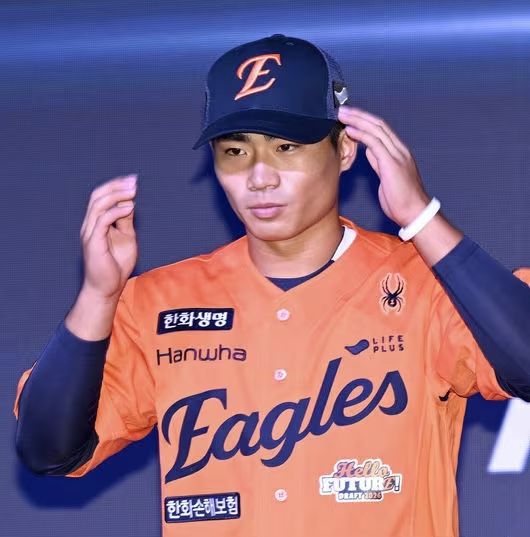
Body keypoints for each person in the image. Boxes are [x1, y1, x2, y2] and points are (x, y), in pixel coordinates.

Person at [14, 34, 530, 537]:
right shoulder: (157, 302)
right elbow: (50, 450)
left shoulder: (427, 284)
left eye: (287, 147)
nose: (260, 176)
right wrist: (99, 296)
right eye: (235, 151)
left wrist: (420, 216)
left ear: (345, 149)